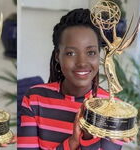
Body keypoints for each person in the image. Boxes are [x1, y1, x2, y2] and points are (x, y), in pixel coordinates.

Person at [17, 8, 132, 150]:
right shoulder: (35, 99)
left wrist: (88, 136)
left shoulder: (113, 110)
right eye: (71, 53)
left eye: (91, 52)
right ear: (58, 56)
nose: (82, 63)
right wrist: (71, 143)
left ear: (99, 55)